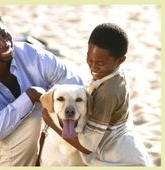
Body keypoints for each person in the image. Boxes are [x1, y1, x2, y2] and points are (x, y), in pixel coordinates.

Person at [0, 5, 84, 166]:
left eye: (4, 34)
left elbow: (77, 88)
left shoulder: (31, 54)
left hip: (24, 142)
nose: (4, 43)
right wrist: (28, 97)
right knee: (33, 115)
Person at [42, 23, 151, 166]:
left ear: (120, 60)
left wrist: (50, 123)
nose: (93, 67)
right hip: (127, 148)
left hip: (117, 159)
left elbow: (87, 148)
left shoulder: (107, 93)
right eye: (89, 59)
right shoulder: (115, 75)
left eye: (100, 63)